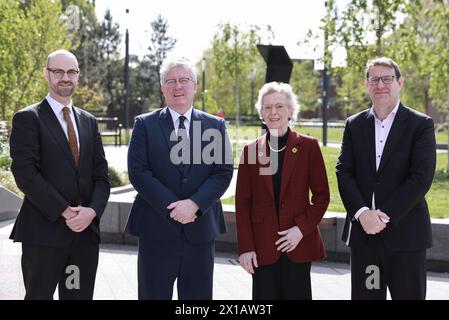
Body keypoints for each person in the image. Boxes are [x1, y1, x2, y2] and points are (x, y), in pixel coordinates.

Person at [125, 57, 233, 300]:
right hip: (156, 230)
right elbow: (138, 172)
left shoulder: (215, 126)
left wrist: (194, 205)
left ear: (195, 86)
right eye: (170, 81)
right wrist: (173, 208)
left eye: (184, 80)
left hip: (200, 231)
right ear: (162, 87)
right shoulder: (144, 124)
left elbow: (223, 171)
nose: (177, 87)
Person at [9, 49, 110, 300]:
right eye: (59, 72)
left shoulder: (88, 121)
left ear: (78, 75)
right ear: (47, 74)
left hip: (84, 236)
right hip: (43, 234)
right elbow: (26, 174)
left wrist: (92, 212)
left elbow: (101, 176)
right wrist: (65, 211)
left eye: (72, 72)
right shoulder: (27, 119)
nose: (66, 77)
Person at [336, 57, 436, 300]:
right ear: (367, 84)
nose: (381, 84)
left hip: (406, 237)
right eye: (375, 79)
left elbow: (421, 177)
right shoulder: (354, 124)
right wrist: (362, 214)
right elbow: (344, 171)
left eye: (387, 79)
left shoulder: (420, 124)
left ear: (399, 82)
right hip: (365, 239)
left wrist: (383, 215)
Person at [235, 82, 330, 300]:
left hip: (298, 244)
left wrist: (301, 229)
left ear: (290, 111)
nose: (273, 112)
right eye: (267, 107)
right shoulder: (251, 150)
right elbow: (243, 204)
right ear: (261, 113)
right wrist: (245, 248)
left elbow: (322, 197)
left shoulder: (308, 146)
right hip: (261, 249)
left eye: (279, 106)